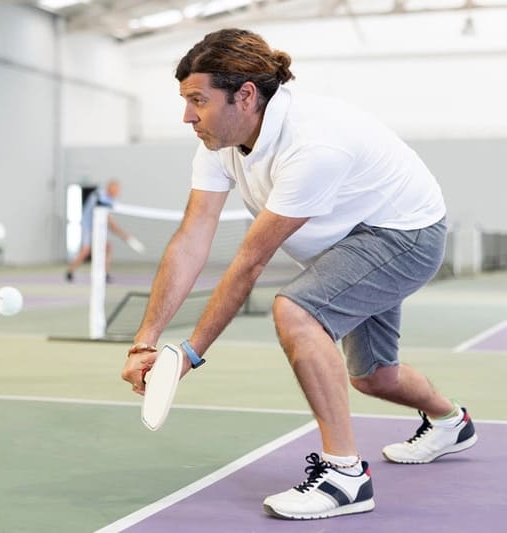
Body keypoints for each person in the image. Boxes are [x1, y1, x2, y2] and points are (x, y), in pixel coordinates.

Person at [120, 29, 476, 521]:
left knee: (297, 311)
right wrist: (145, 342)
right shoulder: (219, 140)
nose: (187, 116)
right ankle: (451, 421)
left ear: (245, 95)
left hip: (404, 235)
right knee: (375, 377)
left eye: (197, 100)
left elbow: (250, 262)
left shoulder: (312, 143)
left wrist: (189, 353)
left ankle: (345, 477)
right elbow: (191, 238)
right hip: (348, 240)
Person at [65, 180, 137, 283]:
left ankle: (105, 274)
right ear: (110, 188)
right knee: (86, 250)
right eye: (116, 189)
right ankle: (70, 272)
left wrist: (120, 233)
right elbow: (110, 222)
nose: (117, 192)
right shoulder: (100, 196)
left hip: (98, 227)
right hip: (88, 227)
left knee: (108, 247)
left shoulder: (111, 200)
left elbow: (109, 221)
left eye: (118, 190)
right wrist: (123, 234)